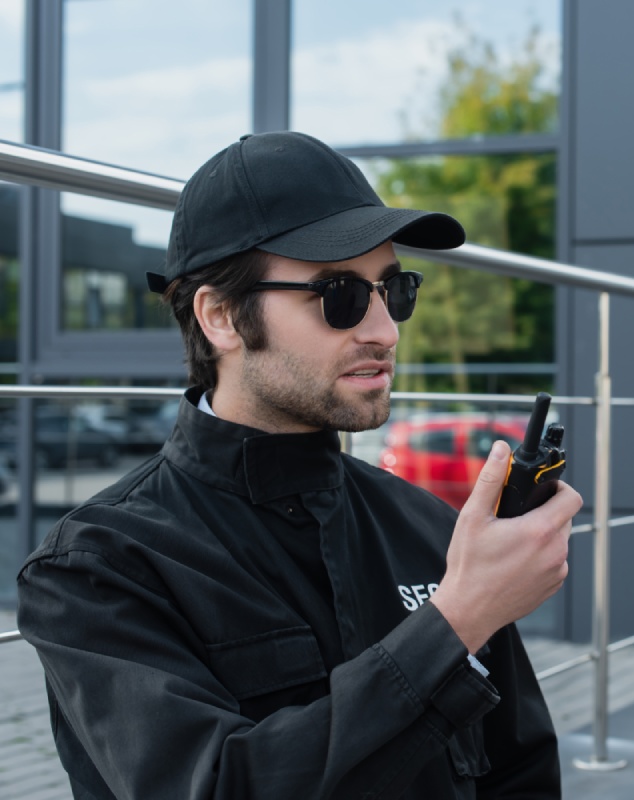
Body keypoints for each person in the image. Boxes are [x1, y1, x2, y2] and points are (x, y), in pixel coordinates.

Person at [16, 131, 581, 799]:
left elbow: (522, 775)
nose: (385, 330)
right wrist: (456, 620)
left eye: (395, 290)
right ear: (221, 316)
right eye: (340, 295)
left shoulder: (431, 529)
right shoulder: (99, 566)